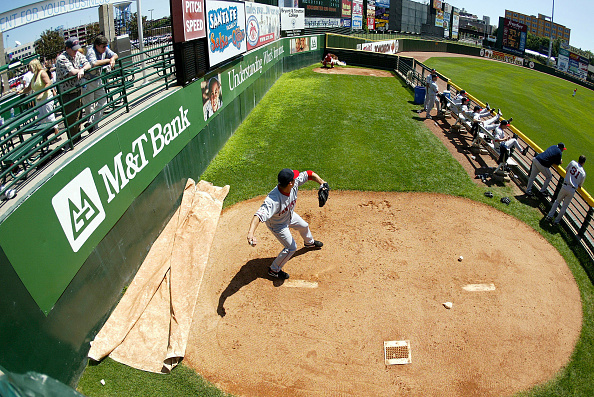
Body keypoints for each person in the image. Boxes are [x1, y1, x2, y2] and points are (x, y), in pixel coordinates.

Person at [247, 168, 327, 279]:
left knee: (304, 226)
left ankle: (309, 243)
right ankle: (274, 270)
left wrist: (322, 183)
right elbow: (258, 216)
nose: (296, 178)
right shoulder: (273, 200)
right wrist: (251, 233)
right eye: (294, 177)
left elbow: (309, 174)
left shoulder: (293, 184)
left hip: (288, 215)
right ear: (290, 183)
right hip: (277, 225)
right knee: (291, 248)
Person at [55, 37, 90, 140]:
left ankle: (77, 138)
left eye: (76, 49)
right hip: (67, 94)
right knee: (72, 119)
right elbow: (72, 72)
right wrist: (80, 71)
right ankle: (74, 141)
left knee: (78, 116)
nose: (76, 51)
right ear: (67, 48)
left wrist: (82, 70)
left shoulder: (77, 54)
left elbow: (88, 64)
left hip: (77, 90)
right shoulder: (61, 58)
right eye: (73, 49)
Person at [82, 35, 118, 133]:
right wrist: (108, 60)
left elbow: (115, 54)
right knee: (89, 106)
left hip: (97, 79)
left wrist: (113, 59)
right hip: (88, 81)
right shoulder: (91, 51)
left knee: (103, 101)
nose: (105, 48)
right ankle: (92, 126)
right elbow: (93, 63)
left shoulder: (105, 49)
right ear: (97, 46)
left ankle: (93, 123)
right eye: (102, 46)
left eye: (106, 46)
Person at [18, 59, 59, 136]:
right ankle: (45, 137)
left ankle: (56, 133)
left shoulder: (42, 73)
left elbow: (48, 83)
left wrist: (42, 93)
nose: (29, 69)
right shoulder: (34, 76)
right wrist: (21, 91)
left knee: (49, 117)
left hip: (46, 98)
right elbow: (29, 88)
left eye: (30, 67)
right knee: (41, 119)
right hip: (39, 100)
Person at [546, 155, 586, 225]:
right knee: (564, 207)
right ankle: (556, 221)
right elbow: (580, 185)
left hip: (565, 185)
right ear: (583, 162)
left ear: (578, 159)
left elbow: (567, 170)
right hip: (572, 190)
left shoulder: (573, 163)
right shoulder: (583, 173)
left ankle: (549, 216)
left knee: (557, 201)